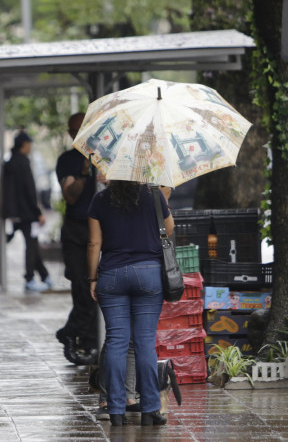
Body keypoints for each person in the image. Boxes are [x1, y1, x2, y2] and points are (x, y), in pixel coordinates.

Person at [88, 181, 173, 427]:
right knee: (145, 341)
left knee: (116, 340)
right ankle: (150, 410)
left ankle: (115, 411)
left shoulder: (100, 200)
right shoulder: (154, 195)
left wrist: (92, 278)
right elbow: (169, 229)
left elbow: (94, 244)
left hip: (112, 276)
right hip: (149, 274)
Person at [54, 112, 98, 365]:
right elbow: (69, 196)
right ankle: (75, 334)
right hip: (76, 231)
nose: (78, 134)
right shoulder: (68, 161)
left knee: (97, 290)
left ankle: (79, 335)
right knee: (82, 288)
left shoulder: (105, 156)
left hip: (100, 230)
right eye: (74, 130)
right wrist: (83, 174)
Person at [2, 131, 52, 292]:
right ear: (24, 145)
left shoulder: (10, 163)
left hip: (16, 212)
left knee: (33, 244)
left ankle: (44, 276)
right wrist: (38, 211)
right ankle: (30, 278)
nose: (31, 147)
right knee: (31, 245)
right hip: (27, 212)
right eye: (29, 144)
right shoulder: (23, 163)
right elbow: (30, 190)